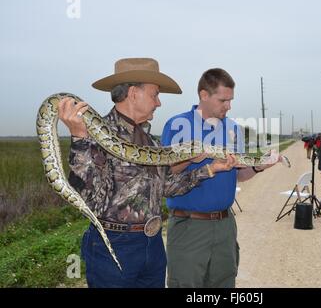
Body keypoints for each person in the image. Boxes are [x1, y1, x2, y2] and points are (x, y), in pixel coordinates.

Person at [58, 58, 236, 288]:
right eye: (155, 95)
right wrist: (80, 139)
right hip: (114, 246)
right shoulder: (93, 132)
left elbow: (166, 187)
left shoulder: (151, 142)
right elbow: (87, 197)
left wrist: (210, 169)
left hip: (152, 244)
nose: (159, 103)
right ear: (133, 93)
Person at [161, 68, 281, 288]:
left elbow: (237, 176)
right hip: (189, 227)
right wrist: (191, 157)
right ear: (204, 95)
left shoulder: (233, 128)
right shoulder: (178, 126)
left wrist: (258, 167)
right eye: (223, 100)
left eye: (231, 100)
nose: (228, 106)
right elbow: (167, 174)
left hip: (225, 226)